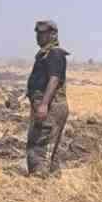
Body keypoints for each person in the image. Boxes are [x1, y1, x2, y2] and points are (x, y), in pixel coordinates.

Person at [26, 20, 69, 176]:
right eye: (38, 33)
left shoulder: (54, 54)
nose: (39, 37)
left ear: (53, 34)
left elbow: (54, 79)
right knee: (39, 140)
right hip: (45, 104)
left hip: (51, 105)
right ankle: (45, 178)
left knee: (42, 142)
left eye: (43, 34)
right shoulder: (45, 54)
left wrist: (44, 104)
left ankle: (41, 180)